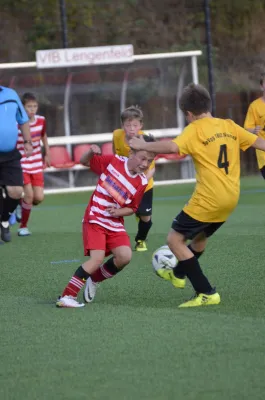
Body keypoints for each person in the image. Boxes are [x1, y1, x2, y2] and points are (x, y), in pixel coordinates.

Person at [129, 83, 265, 308]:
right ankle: (179, 274)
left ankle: (206, 292)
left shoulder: (195, 130)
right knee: (200, 237)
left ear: (189, 114)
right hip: (231, 198)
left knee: (174, 240)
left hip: (208, 199)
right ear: (208, 105)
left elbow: (173, 147)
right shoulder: (229, 125)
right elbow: (260, 143)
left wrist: (145, 144)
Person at [56, 135, 156, 308]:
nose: (145, 164)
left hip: (114, 223)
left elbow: (132, 208)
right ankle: (67, 296)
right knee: (97, 259)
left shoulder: (141, 182)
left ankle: (95, 279)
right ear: (131, 153)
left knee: (125, 256)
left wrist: (118, 211)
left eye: (150, 161)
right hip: (95, 217)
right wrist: (90, 152)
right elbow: (84, 161)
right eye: (143, 158)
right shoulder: (114, 161)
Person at [112, 105, 155, 251]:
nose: (131, 128)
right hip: (123, 182)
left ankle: (141, 240)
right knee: (112, 210)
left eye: (135, 125)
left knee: (145, 217)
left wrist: (139, 185)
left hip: (143, 184)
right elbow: (115, 156)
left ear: (141, 125)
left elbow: (152, 168)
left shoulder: (145, 141)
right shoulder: (117, 135)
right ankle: (111, 240)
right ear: (122, 125)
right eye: (128, 125)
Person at [15, 92, 50, 236]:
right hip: (21, 163)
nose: (32, 109)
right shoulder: (16, 122)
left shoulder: (41, 120)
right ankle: (23, 226)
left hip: (36, 163)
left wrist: (47, 153)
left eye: (35, 106)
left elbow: (43, 136)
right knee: (28, 195)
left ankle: (19, 204)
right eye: (29, 106)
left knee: (38, 198)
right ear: (22, 107)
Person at [0, 85, 32, 243]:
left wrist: (28, 142)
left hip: (10, 154)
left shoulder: (11, 94)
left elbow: (23, 120)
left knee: (16, 192)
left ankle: (4, 220)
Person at [244, 73, 265, 179]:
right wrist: (253, 130)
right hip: (263, 155)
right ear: (262, 86)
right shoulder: (254, 106)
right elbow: (247, 128)